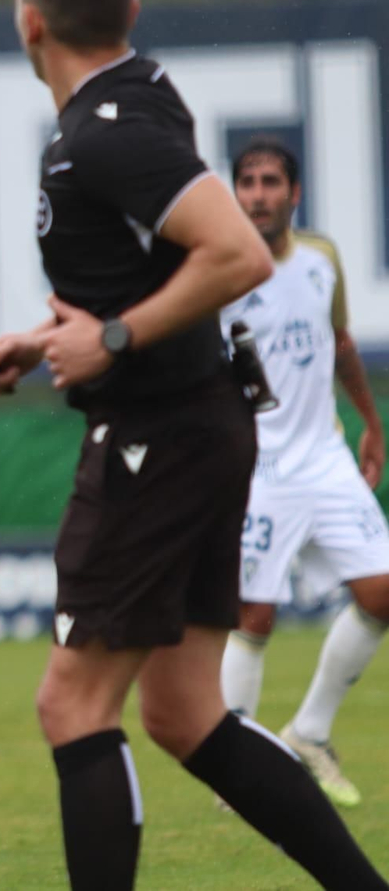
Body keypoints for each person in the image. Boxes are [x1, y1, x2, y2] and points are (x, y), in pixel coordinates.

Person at [0, 0, 386, 890]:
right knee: (184, 713)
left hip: (156, 438)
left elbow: (234, 253)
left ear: (29, 24)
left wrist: (109, 339)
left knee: (71, 707)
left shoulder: (105, 134)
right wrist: (54, 339)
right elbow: (169, 271)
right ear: (132, 12)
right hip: (198, 424)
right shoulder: (139, 95)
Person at [217, 136, 389, 807]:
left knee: (382, 594)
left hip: (326, 458)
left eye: (269, 182)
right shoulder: (222, 269)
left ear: (294, 193)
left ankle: (309, 731)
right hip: (258, 467)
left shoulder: (321, 260)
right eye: (247, 182)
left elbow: (340, 342)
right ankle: (231, 771)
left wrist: (371, 422)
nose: (257, 194)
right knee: (253, 617)